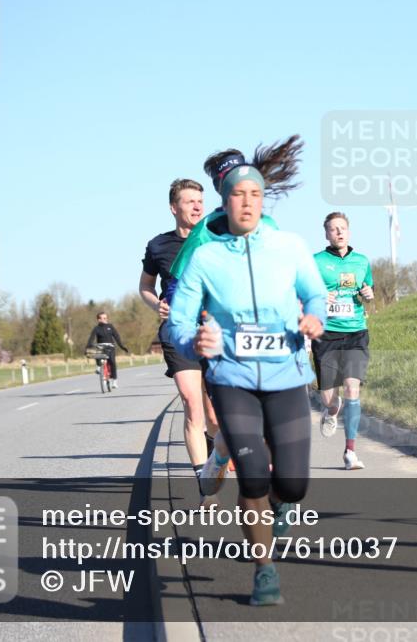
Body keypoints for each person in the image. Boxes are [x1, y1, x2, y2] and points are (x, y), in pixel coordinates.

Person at [167, 135, 327, 606]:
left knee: (292, 485)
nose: (248, 201)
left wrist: (314, 317)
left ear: (264, 199)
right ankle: (264, 570)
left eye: (256, 193)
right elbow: (178, 321)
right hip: (232, 378)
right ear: (225, 200)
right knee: (254, 476)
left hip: (287, 375)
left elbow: (315, 293)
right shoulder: (205, 255)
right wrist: (195, 341)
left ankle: (273, 502)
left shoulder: (289, 246)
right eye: (238, 193)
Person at [165, 154, 280, 499]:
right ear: (220, 188)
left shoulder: (269, 226)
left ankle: (276, 494)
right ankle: (219, 457)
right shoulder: (205, 231)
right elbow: (177, 287)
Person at [139, 178, 226, 500]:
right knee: (192, 404)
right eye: (190, 201)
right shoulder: (158, 246)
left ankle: (216, 459)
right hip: (178, 332)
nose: (197, 206)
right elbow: (146, 286)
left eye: (200, 201)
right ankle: (206, 488)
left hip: (213, 332)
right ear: (173, 208)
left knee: (214, 417)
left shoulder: (216, 239)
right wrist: (156, 305)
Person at [312, 212, 374, 470]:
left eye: (342, 228)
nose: (339, 232)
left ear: (348, 231)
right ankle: (330, 411)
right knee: (330, 399)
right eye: (333, 229)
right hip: (326, 334)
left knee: (352, 388)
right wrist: (318, 296)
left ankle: (350, 452)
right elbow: (302, 292)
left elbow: (367, 289)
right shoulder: (316, 261)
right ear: (326, 233)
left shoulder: (362, 261)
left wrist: (368, 293)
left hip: (355, 332)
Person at [86, 312, 129, 388]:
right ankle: (99, 366)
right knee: (96, 353)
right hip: (101, 347)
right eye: (104, 318)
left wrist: (122, 346)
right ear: (99, 320)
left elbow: (117, 336)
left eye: (106, 318)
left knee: (112, 362)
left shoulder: (110, 326)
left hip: (110, 346)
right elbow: (91, 338)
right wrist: (88, 347)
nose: (106, 319)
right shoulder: (96, 328)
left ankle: (114, 381)